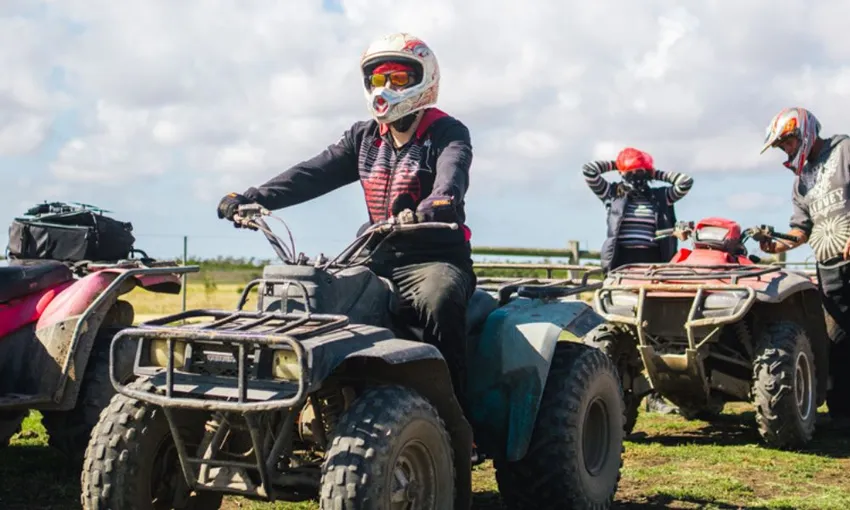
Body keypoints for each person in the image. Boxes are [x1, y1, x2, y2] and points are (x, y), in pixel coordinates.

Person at [583, 147, 695, 415]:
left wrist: (652, 171)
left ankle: (655, 394)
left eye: (641, 173)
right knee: (618, 324)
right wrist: (621, 164)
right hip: (621, 264)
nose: (637, 178)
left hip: (654, 265)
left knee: (654, 327)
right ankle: (616, 386)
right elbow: (589, 171)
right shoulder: (613, 192)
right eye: (632, 173)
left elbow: (685, 182)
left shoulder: (660, 196)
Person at [758, 106, 850, 427]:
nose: (786, 149)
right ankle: (842, 415)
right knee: (837, 338)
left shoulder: (844, 149)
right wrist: (776, 246)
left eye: (788, 142)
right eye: (782, 146)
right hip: (830, 265)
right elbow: (801, 230)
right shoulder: (801, 182)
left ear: (804, 133)